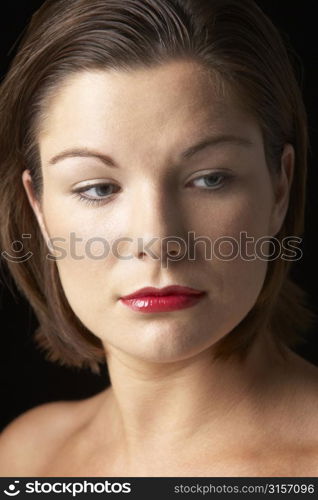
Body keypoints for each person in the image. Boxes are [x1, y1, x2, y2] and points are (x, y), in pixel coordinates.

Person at [0, 0, 317, 477]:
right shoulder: (24, 458)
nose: (158, 239)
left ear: (280, 187)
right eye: (98, 189)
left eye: (210, 179)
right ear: (39, 209)